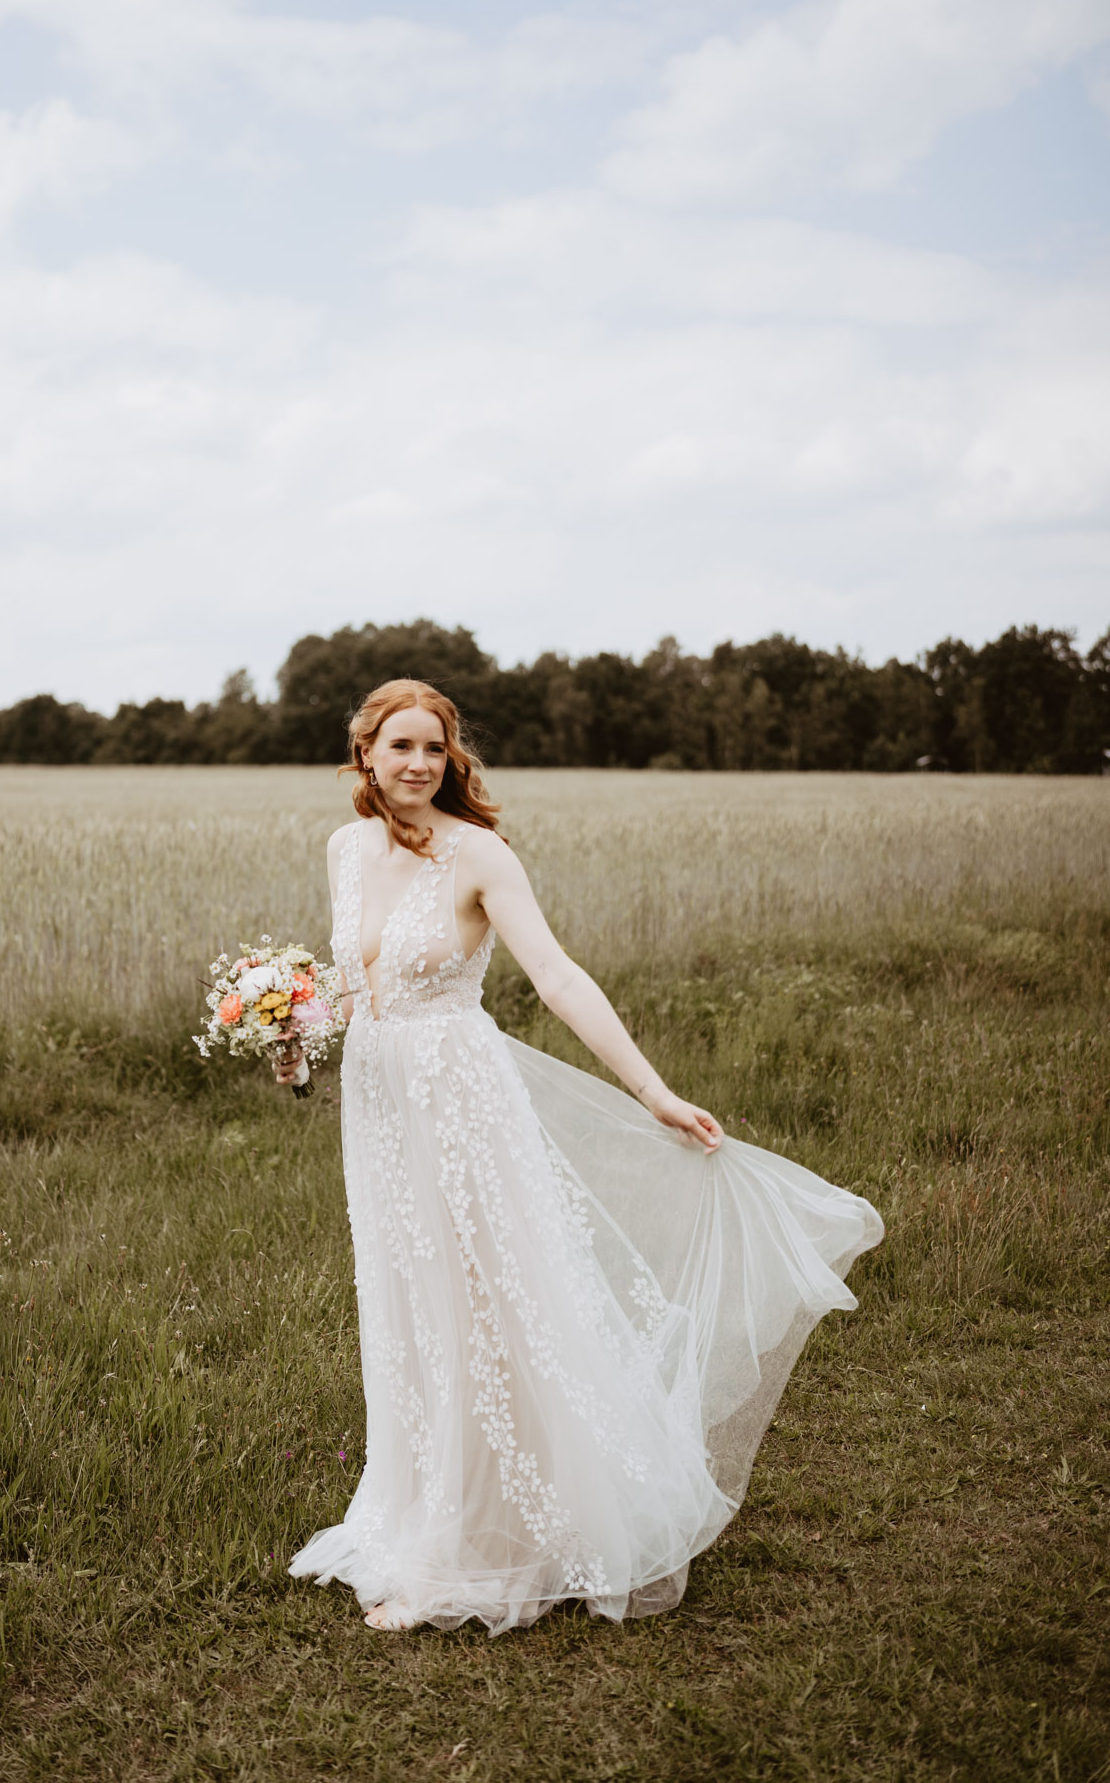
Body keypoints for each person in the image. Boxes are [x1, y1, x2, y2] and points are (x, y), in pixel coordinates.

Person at [284, 679, 883, 1634]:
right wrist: (293, 1037)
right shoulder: (344, 850)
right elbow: (355, 983)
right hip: (378, 1104)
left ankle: (489, 1543)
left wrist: (653, 1091)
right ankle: (418, 1517)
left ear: (451, 758)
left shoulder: (479, 856)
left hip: (460, 1101)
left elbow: (557, 977)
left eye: (432, 748)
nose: (417, 764)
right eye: (399, 746)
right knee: (407, 1299)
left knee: (483, 1305)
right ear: (364, 754)